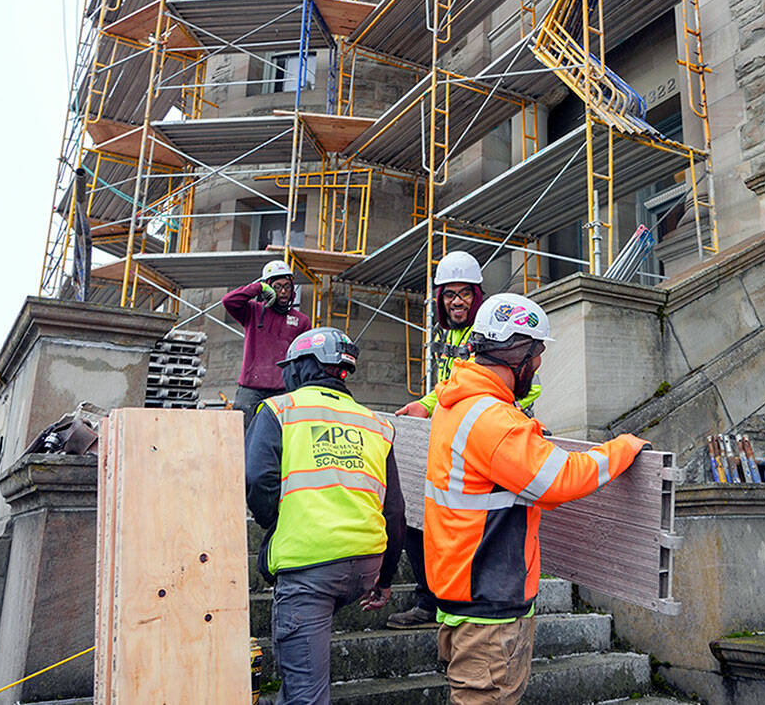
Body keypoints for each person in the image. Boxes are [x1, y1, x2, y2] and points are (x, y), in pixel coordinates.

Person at [424, 293, 649, 704]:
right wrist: (622, 448)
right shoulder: (494, 421)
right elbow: (561, 480)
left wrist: (528, 437)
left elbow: (503, 470)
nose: (540, 363)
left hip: (466, 590)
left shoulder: (459, 402)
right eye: (538, 353)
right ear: (518, 355)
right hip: (488, 604)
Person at [245, 327, 405, 705]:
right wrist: (385, 579)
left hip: (310, 569)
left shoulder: (280, 410)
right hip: (365, 566)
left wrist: (276, 522)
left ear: (301, 368)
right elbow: (395, 509)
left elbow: (256, 479)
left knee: (307, 695)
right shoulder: (376, 423)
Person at [387, 251, 540, 629]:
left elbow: (522, 387)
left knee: (471, 522)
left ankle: (461, 603)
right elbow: (448, 387)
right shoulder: (448, 334)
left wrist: (443, 408)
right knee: (419, 515)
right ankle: (431, 600)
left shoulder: (489, 332)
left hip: (488, 434)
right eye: (449, 294)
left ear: (477, 295)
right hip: (457, 429)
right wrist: (425, 405)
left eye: (464, 294)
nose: (456, 301)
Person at [223, 259, 310, 431]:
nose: (283, 292)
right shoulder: (252, 311)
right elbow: (229, 301)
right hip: (250, 391)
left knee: (281, 438)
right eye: (277, 287)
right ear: (268, 287)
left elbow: (305, 359)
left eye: (287, 286)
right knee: (241, 435)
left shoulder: (301, 321)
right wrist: (259, 287)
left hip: (283, 392)